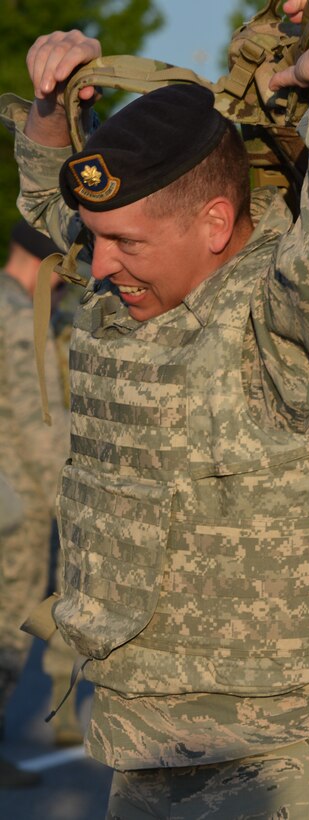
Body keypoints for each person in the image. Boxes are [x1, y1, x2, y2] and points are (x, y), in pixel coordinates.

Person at [0, 0, 309, 815]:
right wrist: (50, 109)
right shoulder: (132, 289)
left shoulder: (294, 319)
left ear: (216, 223)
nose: (97, 265)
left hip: (305, 764)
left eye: (125, 245)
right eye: (97, 238)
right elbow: (54, 214)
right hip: (150, 752)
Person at [0, 220, 82, 789]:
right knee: (7, 626)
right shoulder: (15, 320)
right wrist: (74, 496)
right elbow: (38, 426)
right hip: (18, 505)